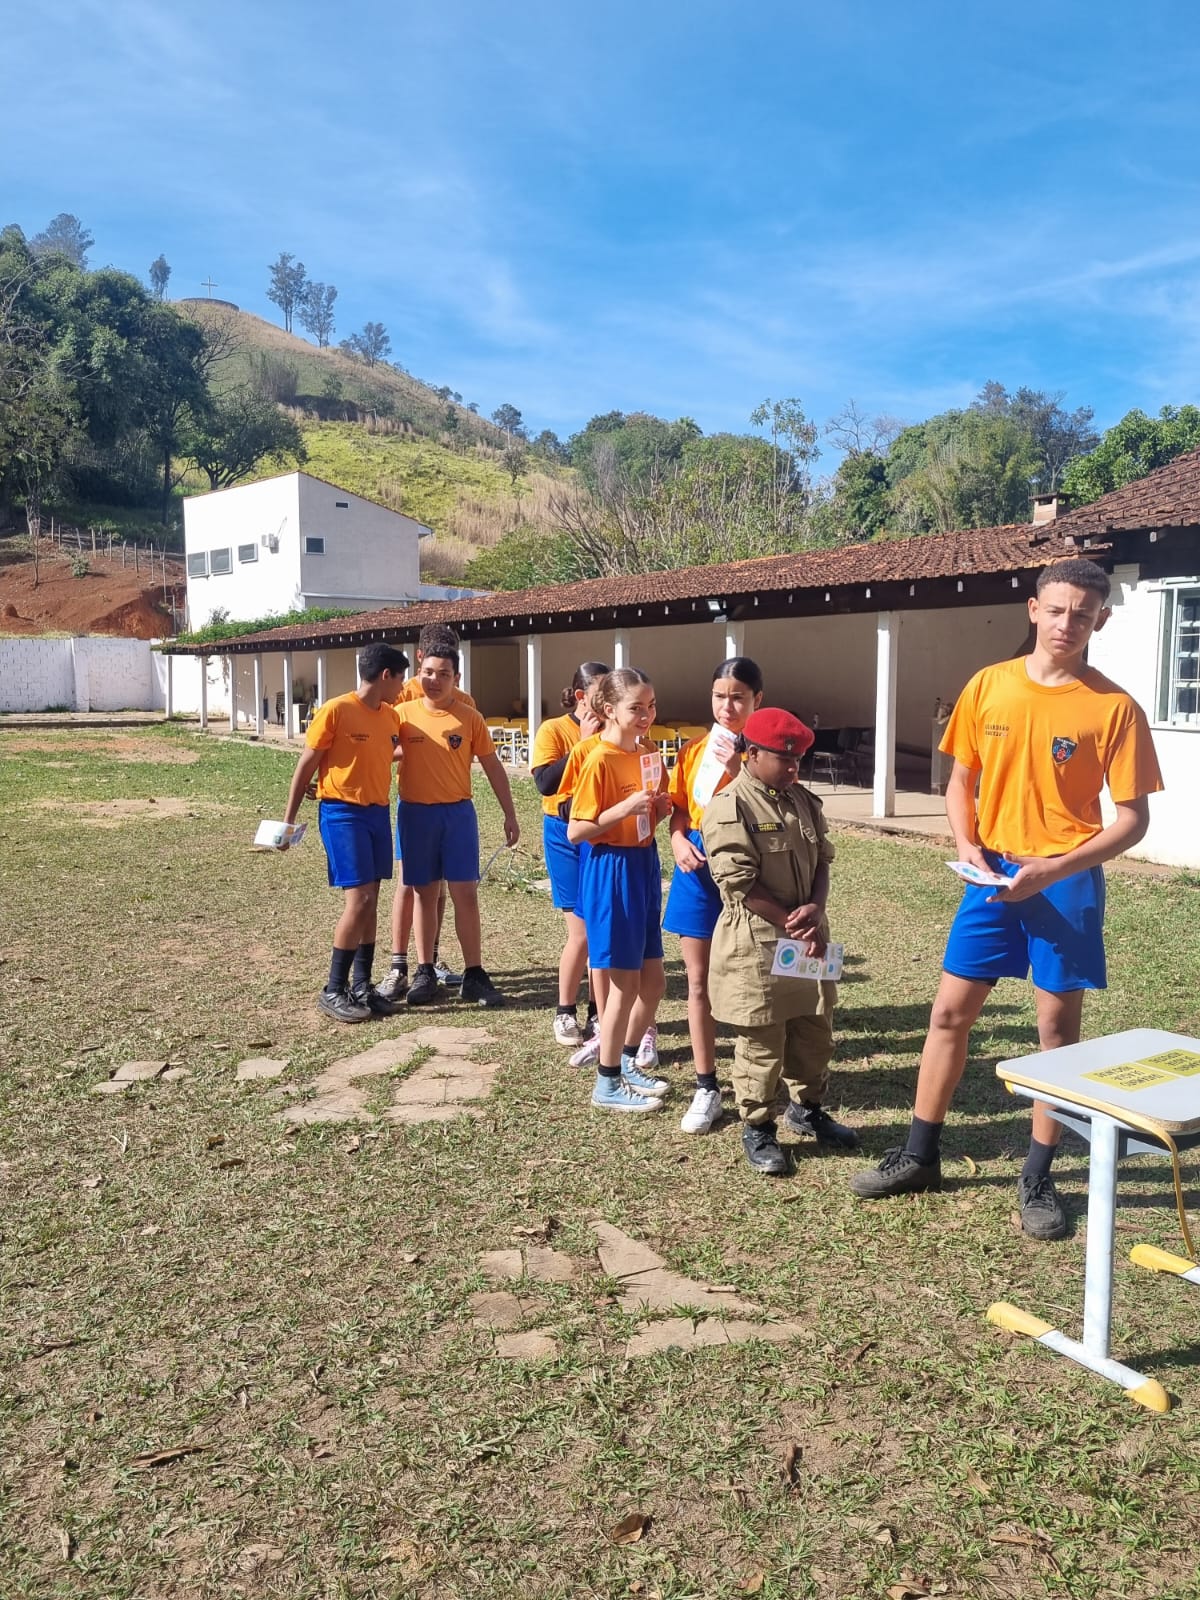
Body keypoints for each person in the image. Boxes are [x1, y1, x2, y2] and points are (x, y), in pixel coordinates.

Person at [851, 557, 1164, 1239]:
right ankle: (919, 1155)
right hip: (991, 877)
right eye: (1056, 610)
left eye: (1082, 614)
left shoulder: (1114, 707)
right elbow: (960, 781)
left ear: (1101, 621)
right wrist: (966, 845)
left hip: (1065, 881)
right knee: (948, 1015)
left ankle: (1038, 1177)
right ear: (1033, 610)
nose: (1067, 624)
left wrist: (1054, 869)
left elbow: (1132, 820)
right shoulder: (989, 685)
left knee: (1056, 1036)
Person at [703, 707, 860, 1174]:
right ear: (752, 754)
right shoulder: (730, 806)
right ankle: (758, 1126)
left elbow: (823, 859)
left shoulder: (802, 800)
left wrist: (817, 908)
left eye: (798, 760)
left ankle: (807, 1109)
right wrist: (796, 922)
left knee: (815, 1028)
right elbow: (738, 882)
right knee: (762, 1039)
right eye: (783, 759)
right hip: (758, 939)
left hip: (808, 936)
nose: (793, 768)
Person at [281, 642, 410, 1023]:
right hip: (342, 814)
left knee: (371, 899)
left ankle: (361, 986)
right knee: (359, 900)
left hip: (377, 813)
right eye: (400, 679)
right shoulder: (336, 710)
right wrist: (288, 821)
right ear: (385, 675)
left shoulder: (391, 717)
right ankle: (333, 989)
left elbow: (384, 752)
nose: (403, 687)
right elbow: (307, 764)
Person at [663, 657, 763, 1135]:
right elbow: (680, 812)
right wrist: (678, 841)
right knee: (698, 980)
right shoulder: (692, 752)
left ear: (757, 700)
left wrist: (740, 764)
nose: (728, 706)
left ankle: (760, 1081)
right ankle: (707, 1086)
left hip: (749, 869)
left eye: (738, 697)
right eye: (720, 696)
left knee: (753, 979)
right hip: (697, 869)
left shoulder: (765, 753)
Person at [392, 643, 520, 1007]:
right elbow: (376, 753)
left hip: (458, 815)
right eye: (428, 673)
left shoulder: (470, 717)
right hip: (416, 814)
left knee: (465, 893)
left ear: (456, 678)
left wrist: (510, 813)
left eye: (443, 674)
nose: (434, 680)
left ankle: (474, 974)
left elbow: (492, 765)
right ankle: (424, 970)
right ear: (419, 673)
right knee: (424, 893)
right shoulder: (401, 715)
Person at [568, 668, 672, 1112]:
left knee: (654, 982)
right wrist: (624, 808)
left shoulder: (648, 754)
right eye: (636, 707)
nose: (646, 715)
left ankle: (625, 1061)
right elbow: (577, 830)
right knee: (623, 986)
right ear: (609, 710)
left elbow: (647, 817)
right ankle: (607, 1084)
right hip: (611, 870)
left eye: (651, 706)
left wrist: (658, 810)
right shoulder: (598, 759)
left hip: (644, 864)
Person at [378, 623, 478, 1000]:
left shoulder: (464, 702)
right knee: (410, 884)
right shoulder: (401, 696)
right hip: (415, 804)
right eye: (430, 666)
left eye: (447, 667)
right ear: (420, 658)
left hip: (450, 808)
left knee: (440, 889)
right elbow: (384, 746)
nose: (437, 678)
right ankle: (398, 965)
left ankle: (429, 962)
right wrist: (419, 747)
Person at [531, 661, 610, 1047]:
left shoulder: (612, 731)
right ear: (581, 696)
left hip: (600, 832)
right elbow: (545, 784)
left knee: (600, 927)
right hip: (563, 834)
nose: (609, 701)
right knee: (580, 932)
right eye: (601, 694)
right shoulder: (553, 730)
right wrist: (582, 742)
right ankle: (565, 1012)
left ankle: (598, 1013)